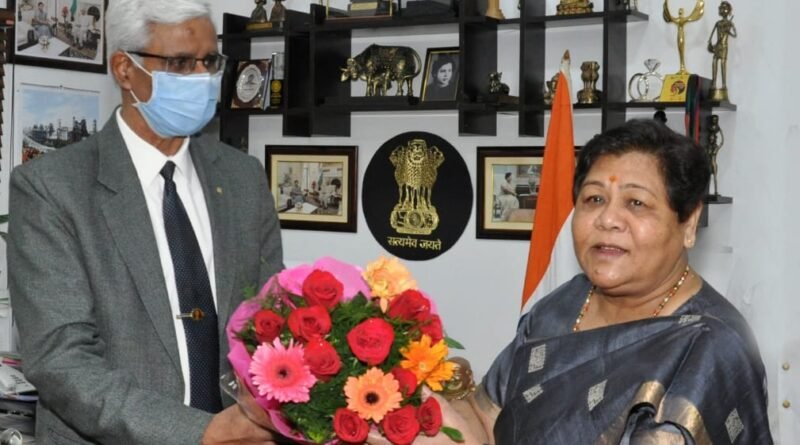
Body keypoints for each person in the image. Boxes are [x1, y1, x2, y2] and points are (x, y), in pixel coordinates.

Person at [373, 119, 774, 444]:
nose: (607, 219)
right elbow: (486, 417)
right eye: (594, 199)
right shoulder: (565, 304)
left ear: (688, 223)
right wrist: (429, 421)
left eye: (636, 203)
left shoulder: (709, 348)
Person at [8, 1, 284, 444]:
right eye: (180, 63)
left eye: (209, 61)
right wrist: (199, 433)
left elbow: (272, 319)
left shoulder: (243, 178)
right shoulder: (52, 188)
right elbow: (61, 359)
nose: (201, 78)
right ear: (124, 69)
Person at [707, 1, 737, 97]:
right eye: (721, 8)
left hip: (724, 46)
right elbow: (711, 35)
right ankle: (714, 83)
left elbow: (735, 35)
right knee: (714, 62)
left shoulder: (729, 23)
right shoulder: (718, 23)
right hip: (717, 46)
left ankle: (724, 84)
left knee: (723, 64)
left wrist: (728, 31)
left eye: (724, 8)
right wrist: (710, 43)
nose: (722, 10)